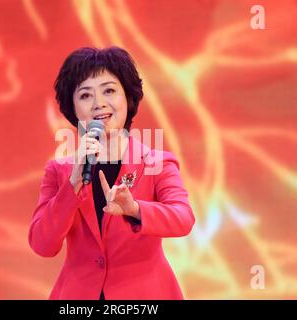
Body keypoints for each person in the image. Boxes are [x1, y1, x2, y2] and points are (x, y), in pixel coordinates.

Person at [28, 46, 195, 300]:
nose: (99, 104)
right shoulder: (59, 171)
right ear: (73, 109)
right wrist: (72, 186)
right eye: (85, 95)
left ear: (127, 97)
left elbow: (183, 218)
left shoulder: (156, 162)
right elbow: (42, 244)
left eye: (109, 91)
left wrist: (135, 209)